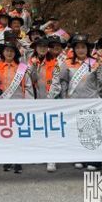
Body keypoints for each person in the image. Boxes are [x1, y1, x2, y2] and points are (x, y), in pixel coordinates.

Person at [53, 33, 102, 170]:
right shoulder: (67, 63)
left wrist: (101, 67)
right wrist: (65, 98)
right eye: (77, 47)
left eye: (83, 47)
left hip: (91, 101)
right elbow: (63, 81)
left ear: (88, 48)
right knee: (76, 130)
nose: (80, 50)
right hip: (74, 101)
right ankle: (79, 157)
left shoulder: (94, 62)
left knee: (92, 131)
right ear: (74, 49)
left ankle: (94, 160)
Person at [0, 42, 33, 175]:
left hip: (18, 103)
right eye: (7, 50)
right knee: (6, 132)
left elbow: (28, 86)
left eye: (12, 51)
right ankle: (7, 158)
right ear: (3, 52)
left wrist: (29, 104)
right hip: (3, 104)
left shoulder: (22, 68)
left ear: (15, 53)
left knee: (17, 133)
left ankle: (18, 160)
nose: (9, 53)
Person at [32, 36, 62, 173]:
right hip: (37, 100)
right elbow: (30, 80)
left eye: (45, 46)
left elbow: (56, 82)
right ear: (36, 48)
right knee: (40, 128)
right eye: (40, 46)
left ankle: (52, 158)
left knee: (52, 129)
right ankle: (42, 154)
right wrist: (33, 67)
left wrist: (49, 100)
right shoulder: (32, 61)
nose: (42, 49)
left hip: (51, 100)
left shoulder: (56, 62)